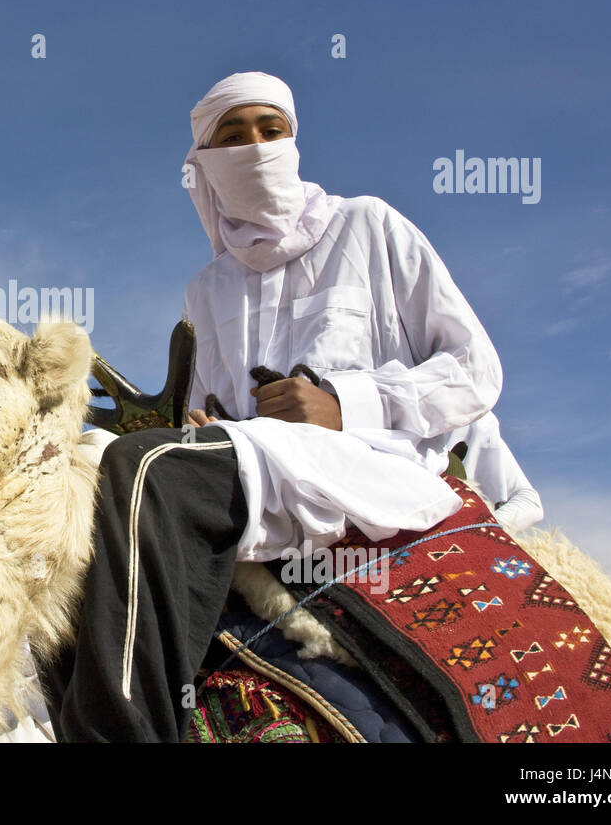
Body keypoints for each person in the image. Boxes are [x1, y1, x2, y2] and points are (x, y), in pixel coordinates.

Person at [38, 72, 517, 742]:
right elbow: (207, 411)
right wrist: (205, 427)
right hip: (257, 476)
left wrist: (343, 403)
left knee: (146, 466)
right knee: (79, 470)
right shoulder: (207, 290)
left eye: (271, 130)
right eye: (232, 137)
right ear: (203, 166)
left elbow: (475, 370)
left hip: (364, 464)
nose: (255, 147)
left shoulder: (370, 227)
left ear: (294, 140)